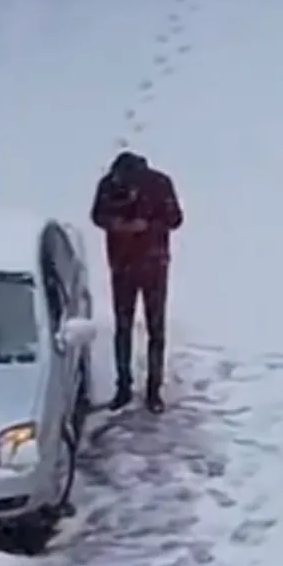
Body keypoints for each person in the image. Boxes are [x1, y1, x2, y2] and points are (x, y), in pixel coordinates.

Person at [89, 150, 183, 413]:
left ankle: (154, 390)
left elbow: (175, 219)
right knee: (123, 328)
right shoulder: (108, 185)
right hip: (122, 266)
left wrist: (147, 226)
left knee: (156, 330)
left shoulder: (159, 184)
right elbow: (97, 216)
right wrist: (117, 224)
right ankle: (123, 387)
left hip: (153, 266)